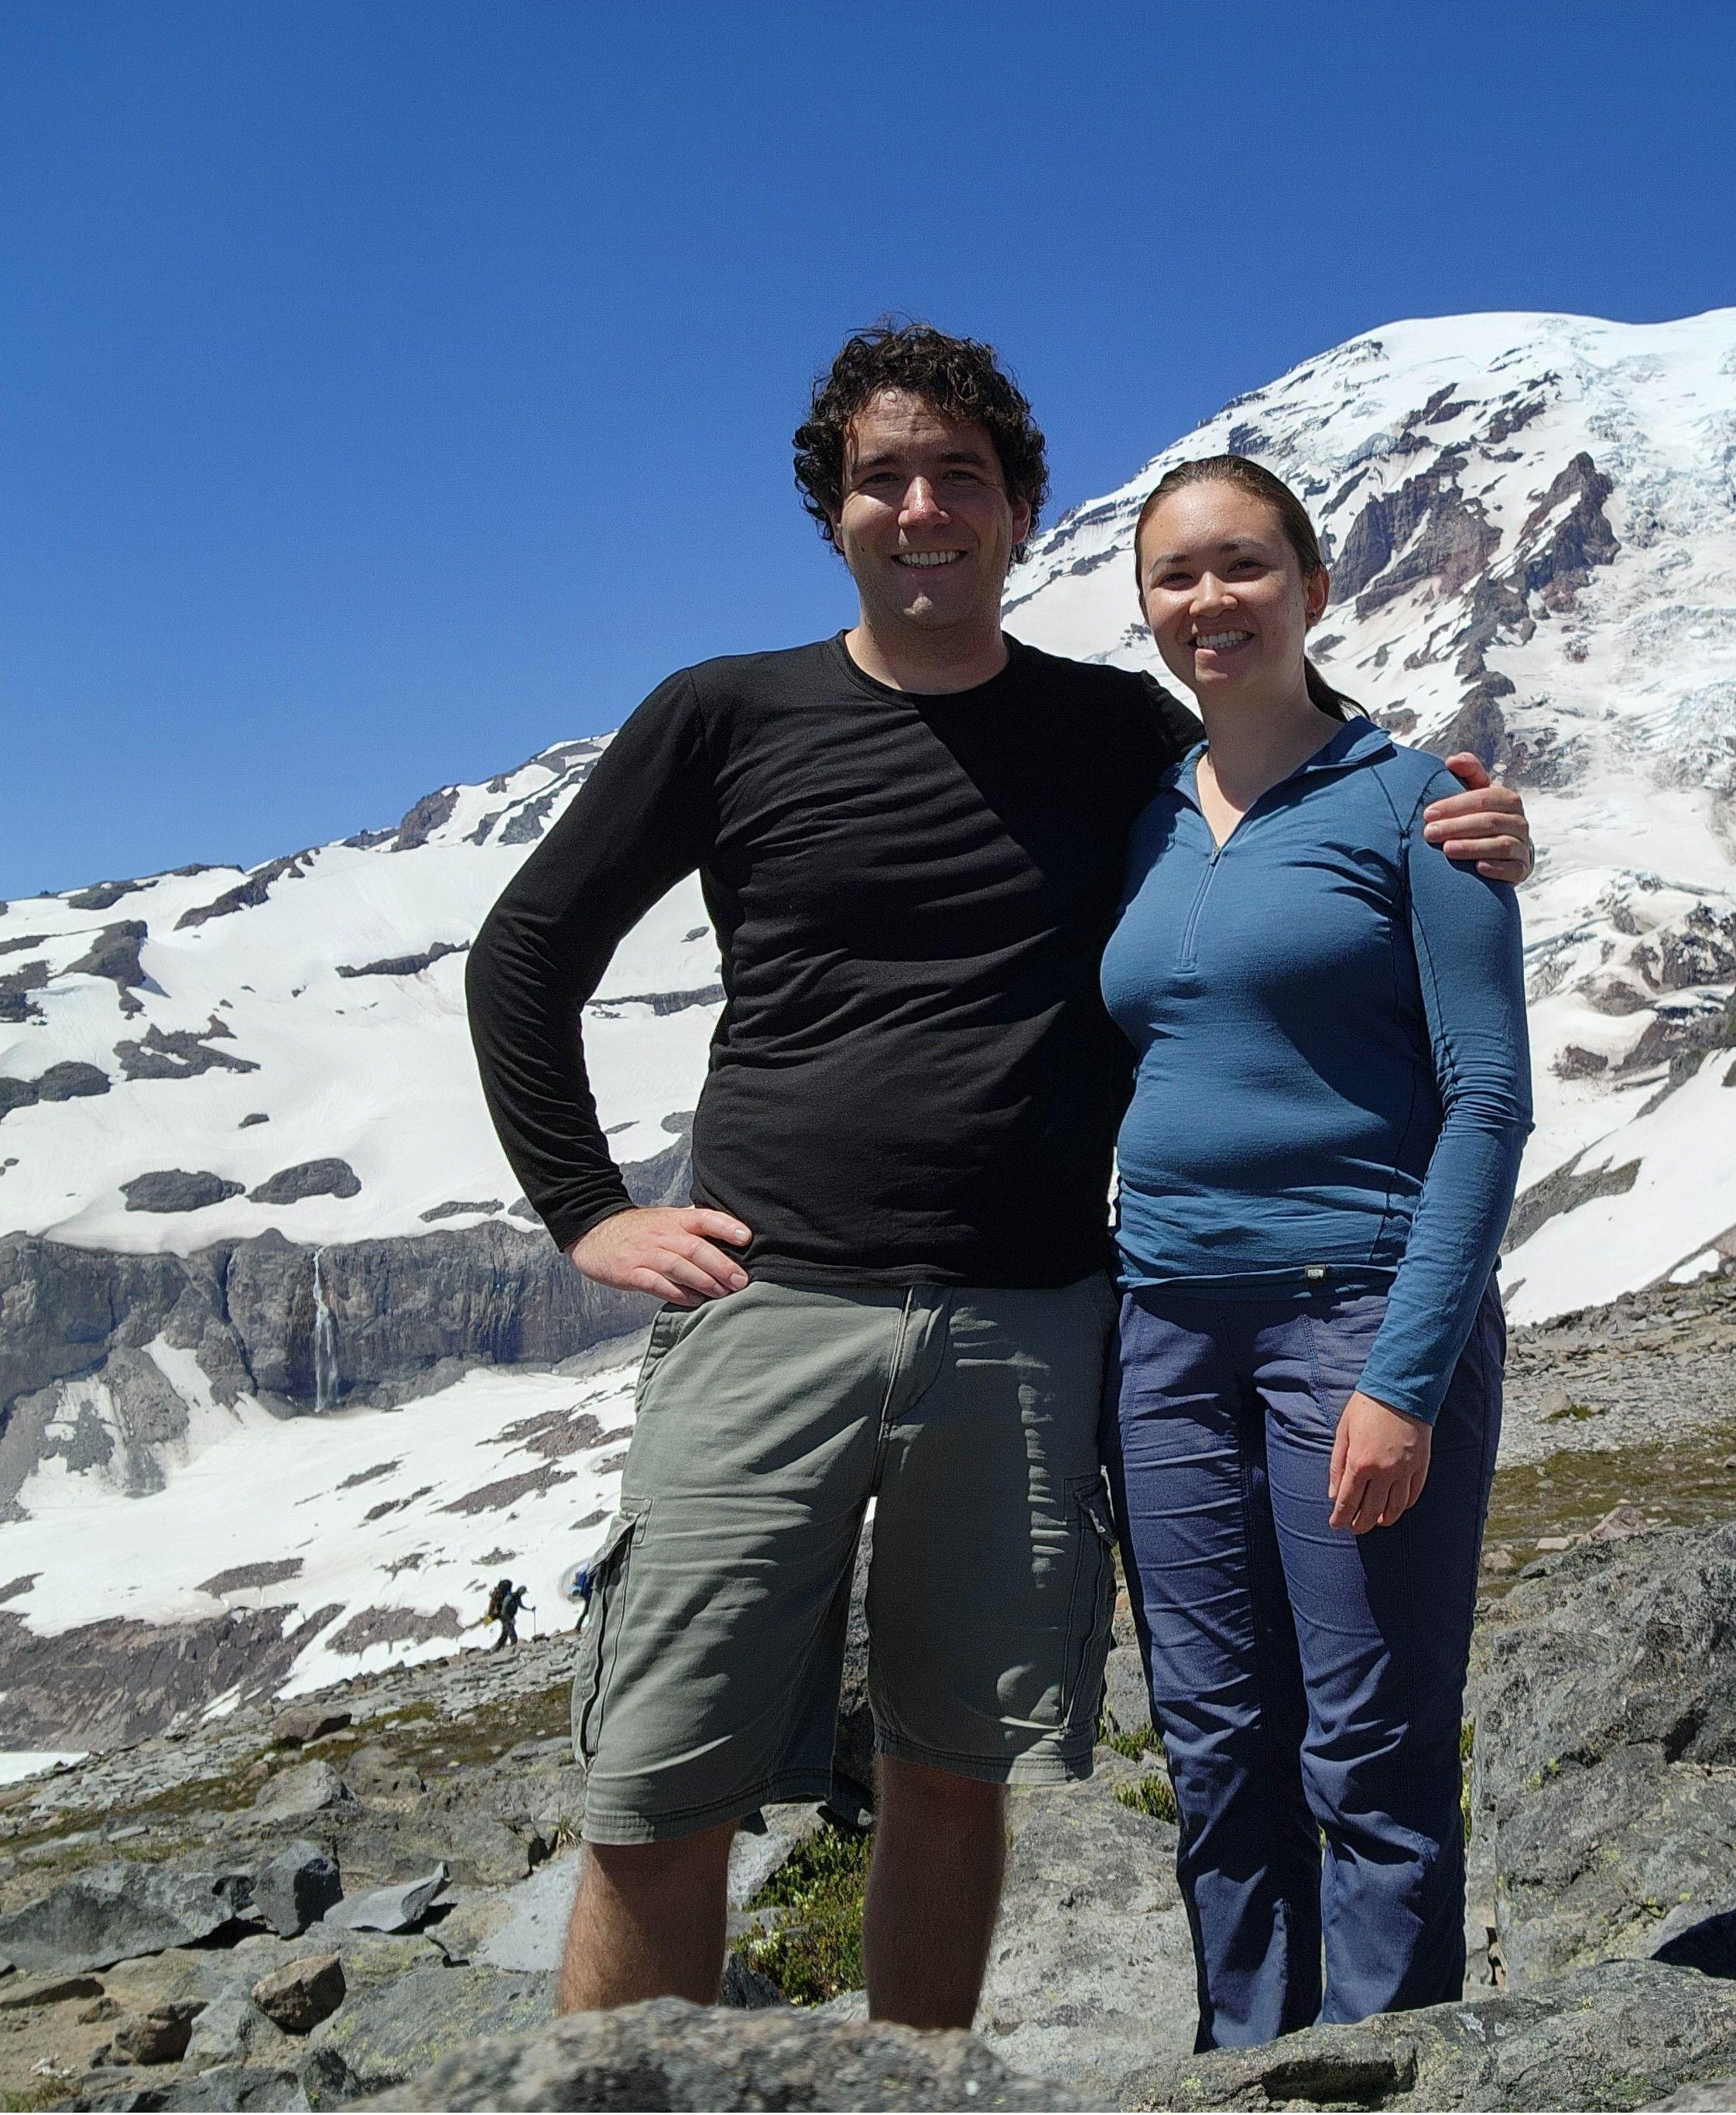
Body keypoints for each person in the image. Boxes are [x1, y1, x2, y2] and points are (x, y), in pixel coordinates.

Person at [464, 323, 1536, 2030]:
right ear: (831, 510)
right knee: (662, 1785)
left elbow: (1287, 757)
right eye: (884, 476)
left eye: (961, 474)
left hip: (1033, 1327)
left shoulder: (1113, 739)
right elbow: (525, 953)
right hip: (778, 1309)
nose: (923, 507)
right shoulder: (725, 715)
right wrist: (586, 1208)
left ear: (1025, 510)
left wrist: (1461, 816)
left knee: (959, 1771)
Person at [1101, 457, 1532, 2048]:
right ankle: (1243, 2065)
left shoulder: (1418, 804)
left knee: (1366, 1742)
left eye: (1242, 567)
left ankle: (1382, 2072)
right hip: (1162, 1330)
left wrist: (1403, 1378)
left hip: (1350, 1316)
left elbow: (1488, 1105)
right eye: (1175, 576)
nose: (1208, 601)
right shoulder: (1138, 818)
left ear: (1313, 586)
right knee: (1213, 1743)